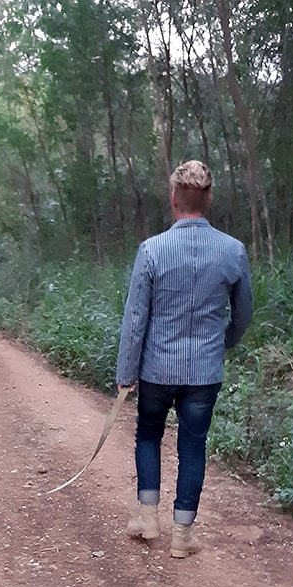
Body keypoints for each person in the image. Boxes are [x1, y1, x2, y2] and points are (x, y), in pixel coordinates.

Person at [115, 159, 253, 557]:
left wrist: (127, 372)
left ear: (174, 198)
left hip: (157, 368)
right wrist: (222, 340)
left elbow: (135, 318)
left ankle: (148, 516)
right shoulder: (233, 251)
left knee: (148, 434)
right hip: (204, 372)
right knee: (193, 445)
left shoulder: (152, 249)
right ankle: (182, 535)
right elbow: (243, 315)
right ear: (208, 199)